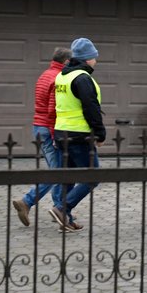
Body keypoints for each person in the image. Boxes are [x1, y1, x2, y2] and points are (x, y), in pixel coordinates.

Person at [49, 37, 105, 232]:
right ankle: (62, 209)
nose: (96, 61)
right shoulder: (82, 78)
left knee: (69, 177)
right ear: (87, 58)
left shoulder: (62, 76)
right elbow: (91, 108)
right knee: (92, 176)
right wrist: (100, 133)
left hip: (61, 133)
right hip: (79, 135)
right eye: (94, 57)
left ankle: (65, 219)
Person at [12, 47, 72, 227]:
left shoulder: (45, 74)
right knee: (57, 173)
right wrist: (55, 135)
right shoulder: (57, 78)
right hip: (49, 128)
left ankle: (58, 209)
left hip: (39, 127)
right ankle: (27, 202)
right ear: (66, 62)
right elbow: (52, 110)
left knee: (58, 169)